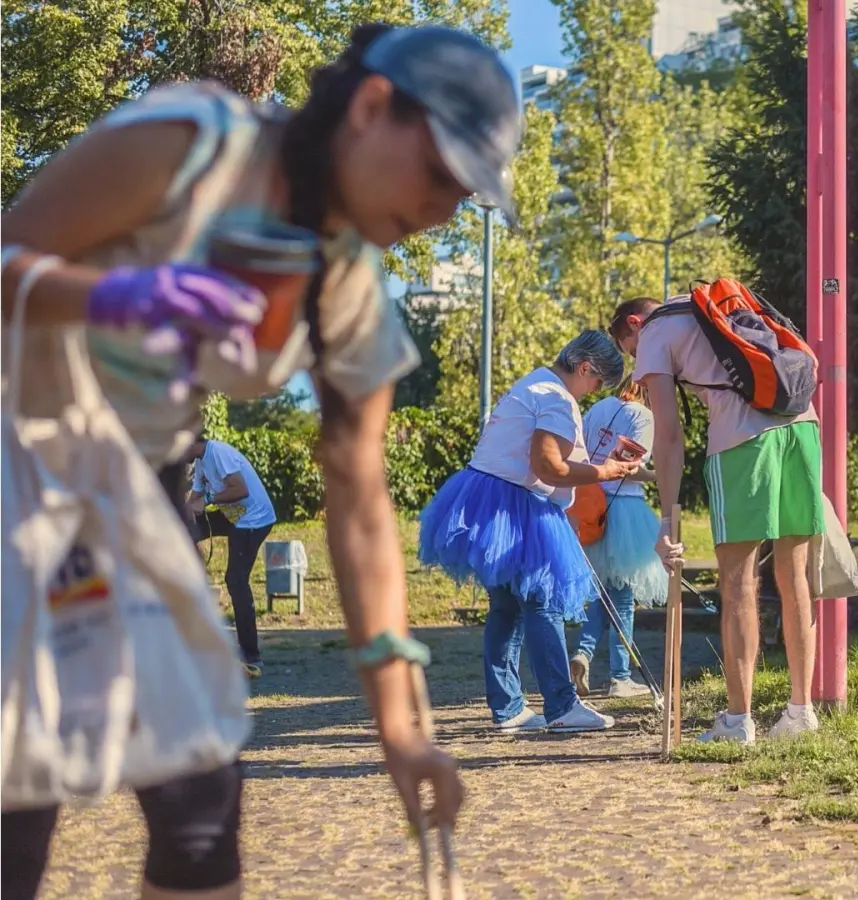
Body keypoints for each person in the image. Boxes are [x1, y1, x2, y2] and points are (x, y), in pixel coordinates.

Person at [1, 22, 522, 898]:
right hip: (18, 470)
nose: (443, 206)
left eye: (464, 191)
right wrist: (115, 297)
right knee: (21, 786)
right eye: (439, 171)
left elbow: (358, 496)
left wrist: (400, 730)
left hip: (140, 498)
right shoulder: (188, 147)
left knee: (201, 800)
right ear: (370, 106)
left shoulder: (348, 275)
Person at [609, 295, 824, 745]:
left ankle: (736, 721)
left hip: (743, 440)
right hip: (803, 425)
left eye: (629, 351)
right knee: (794, 575)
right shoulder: (714, 305)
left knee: (738, 583)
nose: (638, 365)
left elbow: (668, 435)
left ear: (634, 324)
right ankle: (800, 714)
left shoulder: (654, 334)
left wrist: (667, 521)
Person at [419, 331, 637, 734]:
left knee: (505, 607)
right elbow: (548, 467)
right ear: (586, 367)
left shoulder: (532, 383)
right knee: (542, 602)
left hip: (486, 497)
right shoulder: (556, 398)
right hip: (517, 503)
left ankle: (508, 708)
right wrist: (604, 471)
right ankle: (562, 705)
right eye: (595, 384)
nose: (591, 393)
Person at [569, 379, 667, 699]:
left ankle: (583, 654)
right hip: (623, 507)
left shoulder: (599, 407)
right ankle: (620, 677)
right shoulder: (644, 417)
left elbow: (578, 450)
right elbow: (630, 468)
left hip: (591, 504)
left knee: (606, 593)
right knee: (623, 595)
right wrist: (662, 475)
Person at [183, 433, 277, 677]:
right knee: (184, 529)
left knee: (235, 581)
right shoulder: (201, 462)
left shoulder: (218, 452)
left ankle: (251, 655)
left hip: (253, 520)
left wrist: (208, 499)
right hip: (232, 517)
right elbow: (194, 499)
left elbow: (240, 489)